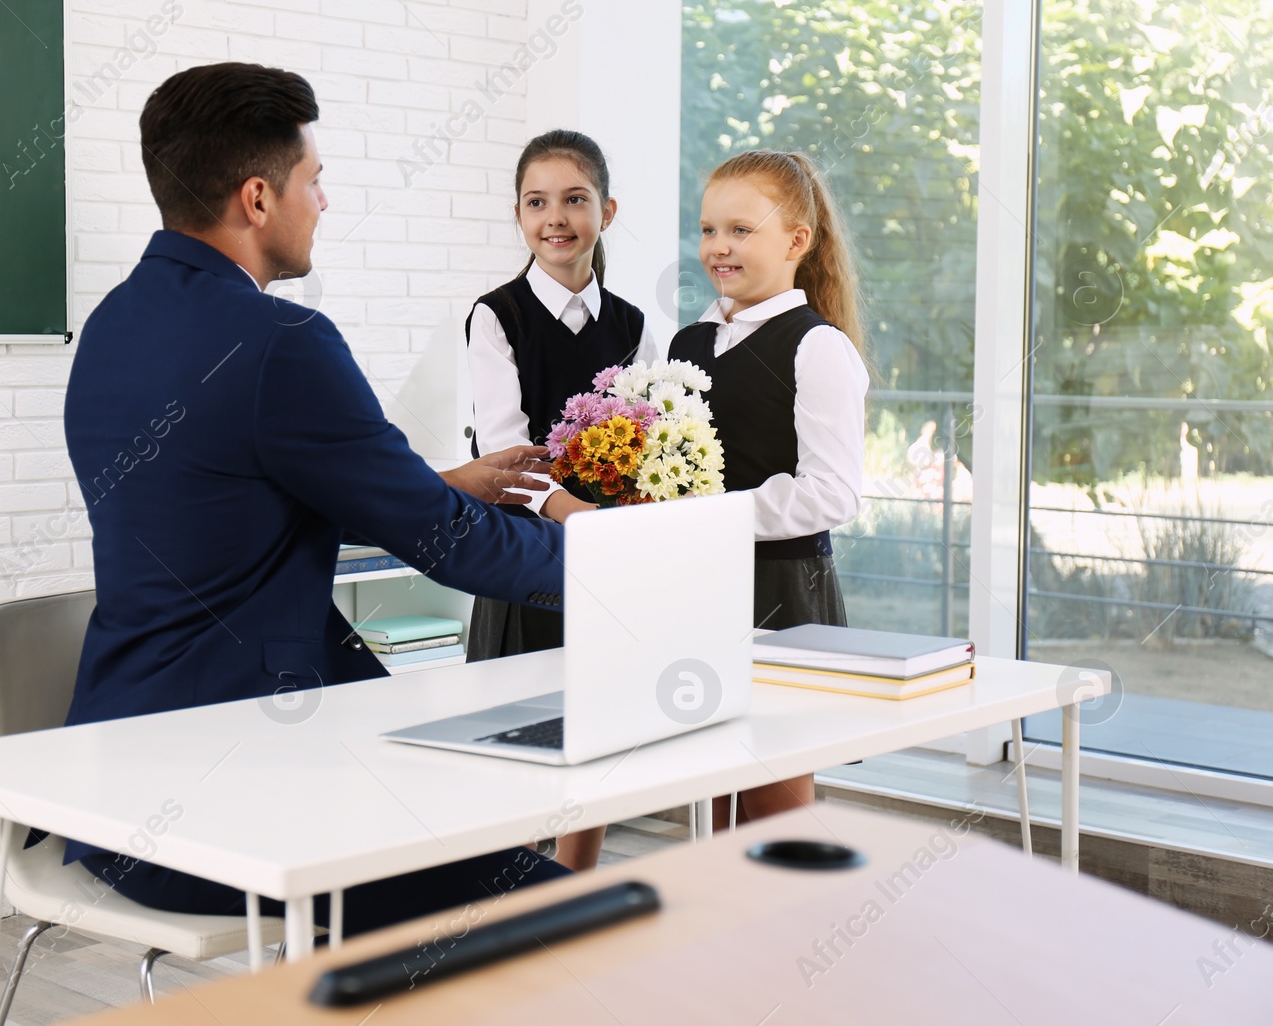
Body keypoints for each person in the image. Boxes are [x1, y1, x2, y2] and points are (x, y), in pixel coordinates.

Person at [54, 62, 579, 936]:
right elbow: (450, 545)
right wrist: (616, 558)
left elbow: (222, 504)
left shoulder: (113, 321)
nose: (323, 202)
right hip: (237, 793)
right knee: (552, 902)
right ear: (258, 198)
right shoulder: (280, 339)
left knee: (483, 832)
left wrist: (430, 484)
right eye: (315, 179)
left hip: (117, 780)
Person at [464, 130, 655, 871]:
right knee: (519, 741)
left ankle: (572, 887)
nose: (556, 217)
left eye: (575, 200)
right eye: (537, 202)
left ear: (606, 210)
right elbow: (506, 457)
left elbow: (647, 436)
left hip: (606, 558)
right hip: (524, 554)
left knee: (595, 733)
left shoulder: (633, 324)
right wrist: (575, 514)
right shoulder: (496, 316)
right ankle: (507, 895)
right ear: (517, 214)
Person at [668, 149, 870, 827]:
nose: (717, 247)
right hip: (698, 584)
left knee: (774, 804)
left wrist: (712, 518)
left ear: (796, 241)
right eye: (707, 230)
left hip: (780, 587)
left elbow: (833, 492)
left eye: (739, 230)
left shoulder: (818, 348)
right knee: (712, 794)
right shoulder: (685, 343)